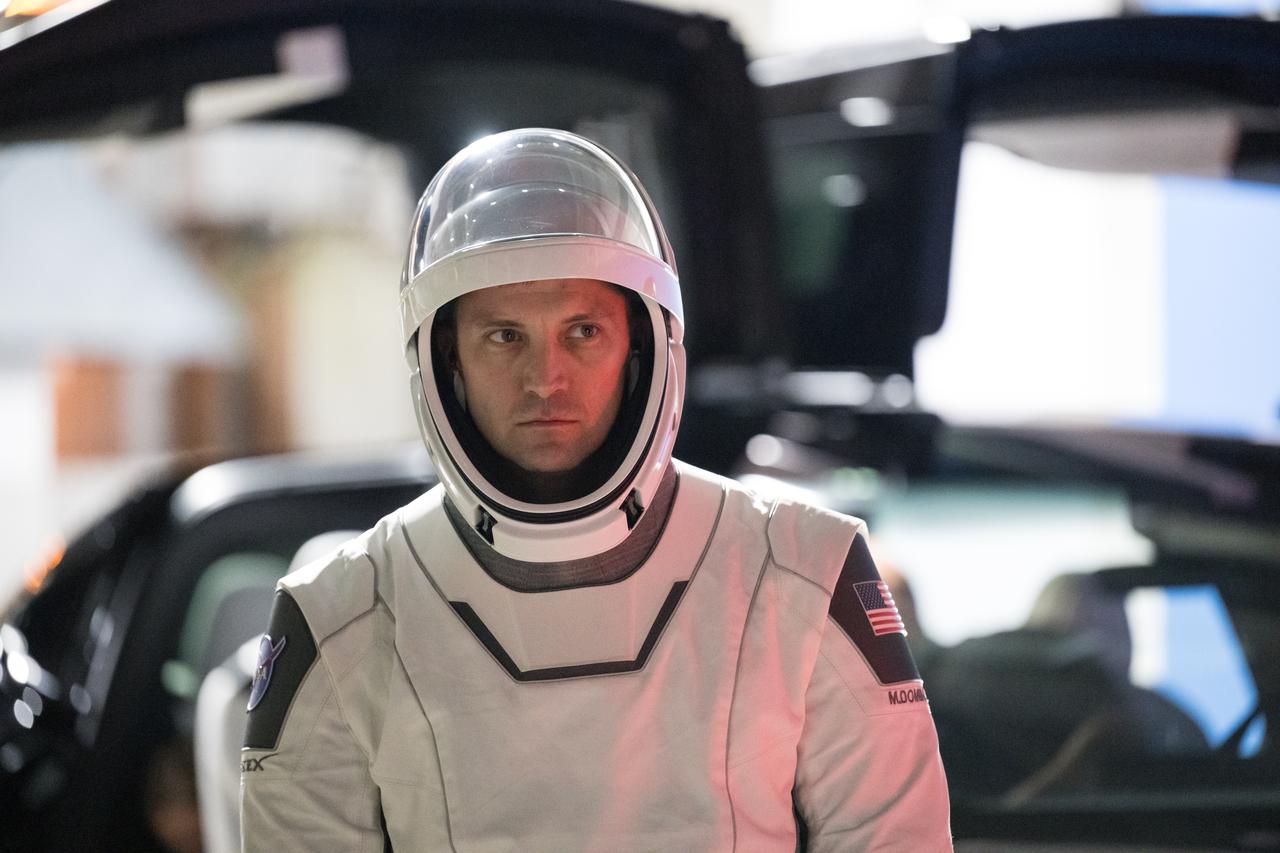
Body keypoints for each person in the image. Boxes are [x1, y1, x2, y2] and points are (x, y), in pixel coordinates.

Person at [240, 128, 951, 851]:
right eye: (505, 335)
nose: (545, 378)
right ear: (444, 355)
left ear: (642, 343)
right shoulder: (341, 614)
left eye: (582, 331)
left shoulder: (804, 569)